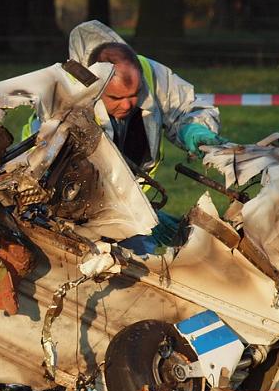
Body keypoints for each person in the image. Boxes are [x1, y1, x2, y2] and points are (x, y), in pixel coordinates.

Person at [69, 20, 227, 251]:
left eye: (134, 94)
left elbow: (186, 106)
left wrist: (195, 128)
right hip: (78, 209)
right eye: (116, 98)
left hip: (135, 207)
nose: (128, 104)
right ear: (96, 89)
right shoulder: (68, 92)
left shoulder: (149, 72)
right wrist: (131, 210)